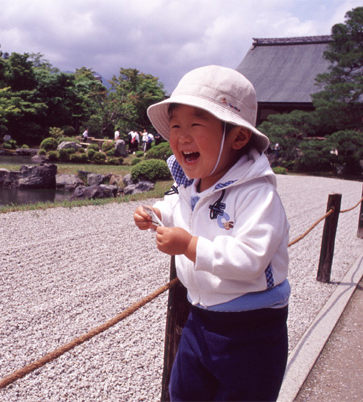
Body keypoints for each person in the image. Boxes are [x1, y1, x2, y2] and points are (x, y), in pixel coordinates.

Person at [133, 65, 290, 401]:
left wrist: (189, 245)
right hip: (200, 316)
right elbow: (179, 207)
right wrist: (156, 214)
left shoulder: (257, 193)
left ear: (238, 136)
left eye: (195, 124)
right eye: (175, 125)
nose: (181, 136)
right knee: (184, 391)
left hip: (252, 327)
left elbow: (250, 259)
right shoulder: (193, 183)